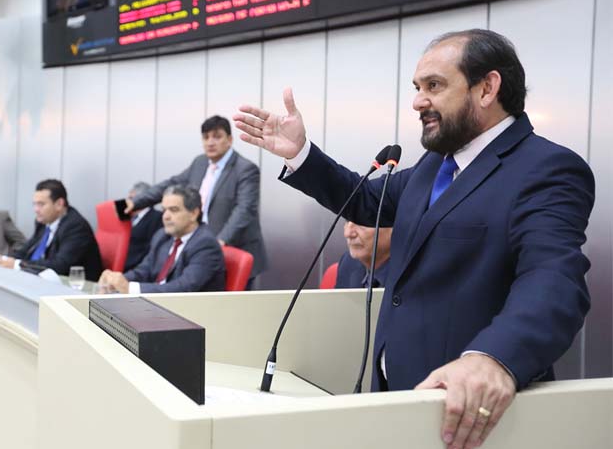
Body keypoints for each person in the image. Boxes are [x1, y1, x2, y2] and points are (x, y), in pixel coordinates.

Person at [233, 29, 594, 449]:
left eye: (434, 86)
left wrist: (493, 358)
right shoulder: (434, 164)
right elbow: (368, 200)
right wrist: (300, 153)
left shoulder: (546, 168)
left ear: (487, 88)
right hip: (398, 396)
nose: (418, 101)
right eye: (417, 88)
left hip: (466, 417)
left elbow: (553, 280)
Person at [125, 115, 268, 281]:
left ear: (229, 139)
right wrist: (135, 202)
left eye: (217, 136)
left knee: (235, 304)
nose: (210, 142)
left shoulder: (245, 169)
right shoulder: (200, 163)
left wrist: (222, 240)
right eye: (206, 137)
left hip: (234, 247)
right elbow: (171, 184)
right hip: (202, 246)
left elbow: (245, 210)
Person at [101, 185, 225, 294]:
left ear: (193, 214)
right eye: (164, 210)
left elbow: (183, 288)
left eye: (174, 210)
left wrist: (130, 288)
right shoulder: (162, 236)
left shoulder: (205, 244)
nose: (165, 216)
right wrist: (117, 280)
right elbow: (145, 270)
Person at [0, 179, 103, 280]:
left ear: (59, 204)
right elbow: (26, 249)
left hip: (73, 287)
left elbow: (59, 265)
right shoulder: (43, 222)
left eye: (41, 204)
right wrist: (5, 260)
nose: (36, 210)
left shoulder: (76, 226)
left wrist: (17, 264)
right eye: (35, 204)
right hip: (42, 280)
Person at [334, 221, 392, 289]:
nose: (347, 233)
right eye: (347, 220)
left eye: (361, 223)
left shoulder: (407, 278)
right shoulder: (348, 263)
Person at [124, 181, 163, 271]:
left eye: (132, 198)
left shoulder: (157, 217)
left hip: (135, 266)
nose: (128, 202)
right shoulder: (128, 217)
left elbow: (151, 248)